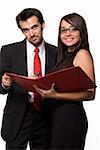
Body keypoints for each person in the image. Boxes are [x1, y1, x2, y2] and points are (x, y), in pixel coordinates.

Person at [33, 13, 96, 149]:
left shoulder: (82, 54)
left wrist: (56, 96)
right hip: (55, 117)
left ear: (81, 32)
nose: (68, 33)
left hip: (69, 118)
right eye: (63, 30)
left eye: (73, 29)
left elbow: (90, 94)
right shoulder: (62, 56)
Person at [0, 8, 58, 150]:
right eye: (25, 30)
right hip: (18, 116)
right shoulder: (9, 51)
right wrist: (4, 84)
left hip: (46, 116)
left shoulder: (56, 52)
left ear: (43, 24)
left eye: (34, 27)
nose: (31, 34)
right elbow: (0, 87)